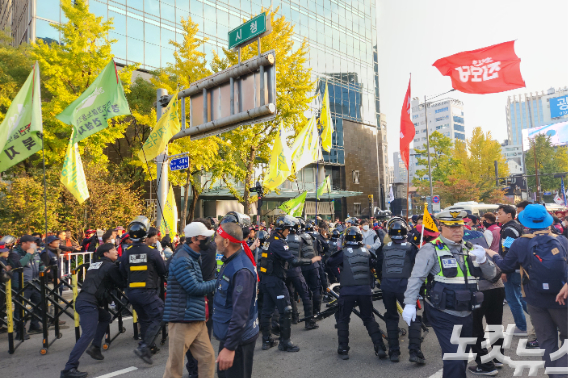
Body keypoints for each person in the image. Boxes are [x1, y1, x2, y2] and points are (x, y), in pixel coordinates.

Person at [402, 210, 497, 378]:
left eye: (459, 226)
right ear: (441, 227)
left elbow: (492, 275)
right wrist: (410, 303)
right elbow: (416, 278)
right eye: (452, 227)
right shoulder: (431, 249)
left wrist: (483, 260)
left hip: (468, 312)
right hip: (443, 312)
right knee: (454, 358)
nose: (457, 231)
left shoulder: (471, 248)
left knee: (460, 358)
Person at [486, 204, 568, 378]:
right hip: (563, 298)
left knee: (547, 341)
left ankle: (555, 375)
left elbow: (506, 266)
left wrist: (492, 255)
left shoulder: (521, 242)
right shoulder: (562, 240)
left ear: (526, 222)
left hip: (534, 298)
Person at [60, 244, 125, 378]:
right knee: (88, 334)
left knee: (105, 317)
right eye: (113, 250)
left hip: (83, 301)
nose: (116, 252)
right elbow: (121, 283)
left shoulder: (94, 264)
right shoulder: (110, 266)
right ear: (106, 254)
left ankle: (95, 347)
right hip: (88, 303)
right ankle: (69, 368)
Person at [258, 215, 321, 352]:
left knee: (267, 311)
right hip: (275, 280)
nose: (288, 232)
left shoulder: (270, 240)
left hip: (267, 280)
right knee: (286, 310)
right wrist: (310, 261)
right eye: (288, 229)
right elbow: (292, 261)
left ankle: (267, 341)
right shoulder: (278, 243)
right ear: (282, 229)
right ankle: (285, 342)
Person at [162, 222, 216, 378]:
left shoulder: (191, 256)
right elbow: (194, 288)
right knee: (175, 367)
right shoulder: (182, 259)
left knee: (207, 358)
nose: (208, 240)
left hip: (195, 317)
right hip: (182, 318)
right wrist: (218, 282)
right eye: (204, 237)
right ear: (194, 239)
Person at [327, 226, 388, 360]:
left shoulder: (343, 253)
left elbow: (329, 263)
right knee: (369, 318)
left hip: (347, 290)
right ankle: (379, 347)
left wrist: (339, 274)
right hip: (365, 291)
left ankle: (343, 349)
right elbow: (374, 265)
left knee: (343, 319)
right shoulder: (367, 251)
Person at [213, 222, 259, 378]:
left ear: (226, 242)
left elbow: (240, 313)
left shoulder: (241, 270)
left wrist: (230, 348)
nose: (214, 240)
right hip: (231, 337)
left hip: (239, 341)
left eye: (217, 237)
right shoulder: (231, 261)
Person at [120, 216, 167, 364]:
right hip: (147, 292)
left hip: (132, 293)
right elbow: (163, 270)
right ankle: (145, 346)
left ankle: (146, 346)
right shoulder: (152, 252)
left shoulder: (127, 252)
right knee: (160, 315)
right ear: (146, 234)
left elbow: (122, 272)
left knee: (145, 320)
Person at [377, 218, 424, 364]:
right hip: (406, 286)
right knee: (413, 318)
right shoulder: (412, 248)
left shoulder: (382, 248)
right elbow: (418, 269)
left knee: (391, 317)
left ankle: (394, 352)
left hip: (387, 287)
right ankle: (414, 352)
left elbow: (378, 268)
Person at [496, 204, 528, 337]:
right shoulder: (517, 226)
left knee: (513, 299)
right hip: (519, 267)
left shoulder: (509, 230)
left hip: (512, 269)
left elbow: (508, 251)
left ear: (509, 214)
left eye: (500, 213)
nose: (498, 215)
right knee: (521, 298)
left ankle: (521, 327)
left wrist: (504, 269)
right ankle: (546, 320)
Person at [285, 218, 317, 329]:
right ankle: (309, 321)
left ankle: (294, 317)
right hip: (296, 270)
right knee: (305, 294)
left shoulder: (281, 240)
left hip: (285, 271)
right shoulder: (301, 239)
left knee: (289, 295)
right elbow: (307, 254)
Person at [14, 235, 44, 339]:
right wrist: (28, 255)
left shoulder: (34, 252)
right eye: (31, 242)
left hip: (35, 283)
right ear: (23, 243)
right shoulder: (15, 253)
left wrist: (44, 268)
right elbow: (19, 265)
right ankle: (20, 332)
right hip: (23, 285)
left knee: (40, 304)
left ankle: (34, 325)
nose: (33, 244)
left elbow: (39, 263)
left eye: (34, 242)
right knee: (20, 309)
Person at [300, 220, 323, 322]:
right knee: (316, 289)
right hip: (314, 265)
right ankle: (316, 312)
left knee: (306, 291)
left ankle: (309, 315)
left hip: (303, 267)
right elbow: (319, 251)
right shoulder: (314, 238)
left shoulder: (297, 239)